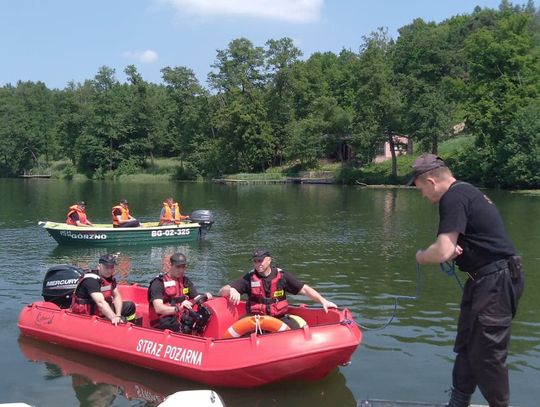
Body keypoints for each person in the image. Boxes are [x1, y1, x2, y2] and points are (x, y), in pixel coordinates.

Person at [409, 153, 524, 407]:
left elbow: (442, 251)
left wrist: (422, 256)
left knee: (487, 352)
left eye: (420, 190)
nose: (424, 197)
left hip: (496, 280)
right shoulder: (466, 192)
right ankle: (458, 402)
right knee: (466, 345)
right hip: (483, 280)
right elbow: (463, 242)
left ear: (430, 181)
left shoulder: (454, 196)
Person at [218, 249, 338, 328]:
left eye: (260, 260)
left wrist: (323, 300)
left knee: (302, 330)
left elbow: (304, 289)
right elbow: (221, 291)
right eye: (255, 261)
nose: (258, 264)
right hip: (256, 320)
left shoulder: (282, 276)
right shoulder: (249, 278)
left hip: (279, 319)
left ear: (269, 260)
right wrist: (231, 290)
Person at [148, 252, 213, 332]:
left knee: (200, 321)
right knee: (185, 329)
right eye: (178, 267)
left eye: (183, 267)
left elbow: (196, 297)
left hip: (179, 318)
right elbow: (159, 308)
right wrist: (179, 308)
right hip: (163, 322)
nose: (181, 270)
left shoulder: (185, 281)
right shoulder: (158, 283)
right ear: (170, 265)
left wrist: (205, 297)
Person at [71, 254, 138, 326]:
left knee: (130, 306)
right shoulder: (91, 280)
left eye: (111, 267)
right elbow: (100, 303)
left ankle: (130, 327)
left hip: (101, 311)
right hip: (89, 314)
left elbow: (116, 296)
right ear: (99, 266)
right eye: (106, 267)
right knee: (112, 316)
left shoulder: (109, 278)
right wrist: (113, 317)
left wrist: (118, 315)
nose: (109, 270)